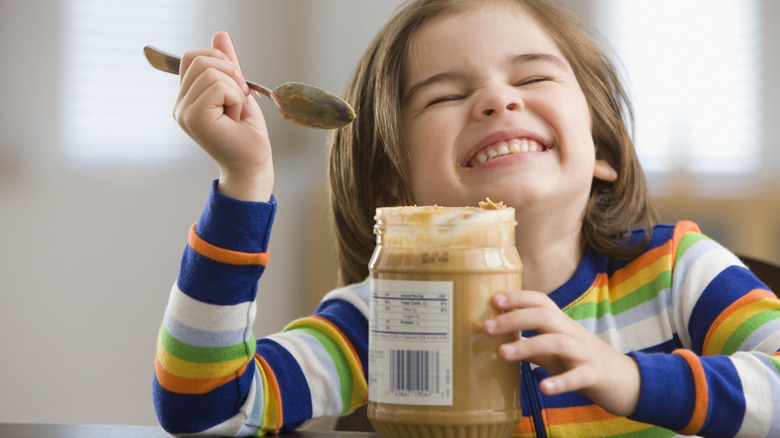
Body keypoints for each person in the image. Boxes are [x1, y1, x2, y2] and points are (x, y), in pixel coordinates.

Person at [153, 0, 780, 436]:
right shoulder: (385, 316)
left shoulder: (676, 274)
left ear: (605, 152)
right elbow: (207, 411)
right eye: (447, 95)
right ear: (393, 186)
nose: (497, 99)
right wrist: (244, 183)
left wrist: (631, 378)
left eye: (532, 76)